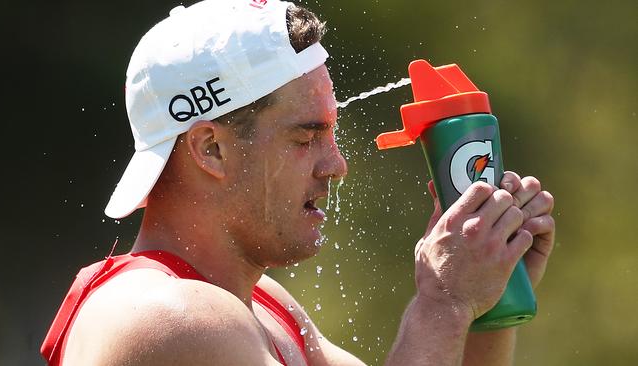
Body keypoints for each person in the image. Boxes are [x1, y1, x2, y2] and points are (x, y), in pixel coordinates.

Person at [40, 0, 556, 365]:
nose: (336, 166)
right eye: (306, 136)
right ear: (210, 149)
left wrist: (488, 305)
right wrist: (443, 302)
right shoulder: (172, 319)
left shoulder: (263, 306)